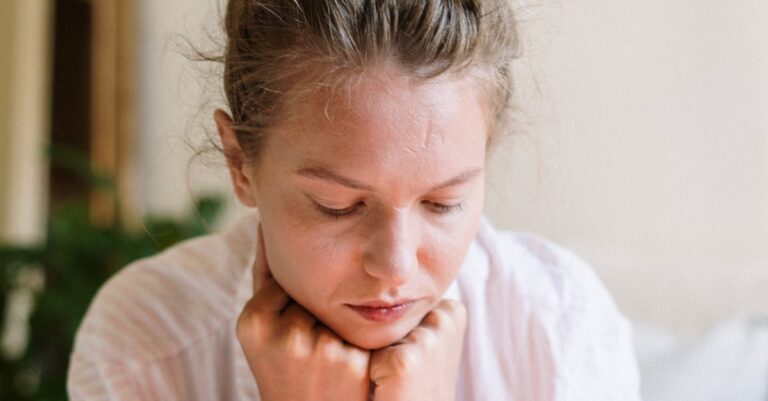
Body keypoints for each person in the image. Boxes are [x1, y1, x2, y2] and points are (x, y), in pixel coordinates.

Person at [68, 0, 642, 400]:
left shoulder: (561, 324)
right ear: (240, 162)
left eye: (443, 203)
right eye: (338, 205)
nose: (395, 267)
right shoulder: (147, 343)